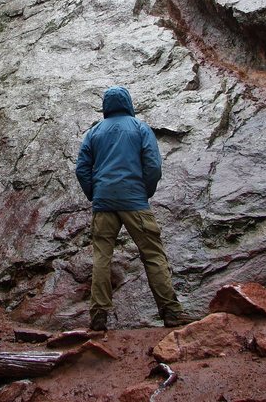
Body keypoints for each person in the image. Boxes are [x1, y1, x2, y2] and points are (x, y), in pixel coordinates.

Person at [75, 86, 193, 331]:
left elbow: (82, 169)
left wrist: (94, 194)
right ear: (128, 102)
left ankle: (98, 316)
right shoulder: (140, 128)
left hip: (103, 202)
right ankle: (170, 312)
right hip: (135, 201)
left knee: (101, 258)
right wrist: (145, 192)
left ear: (106, 106)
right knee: (152, 254)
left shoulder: (94, 132)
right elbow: (153, 165)